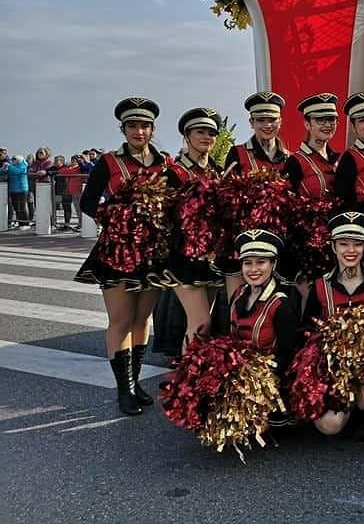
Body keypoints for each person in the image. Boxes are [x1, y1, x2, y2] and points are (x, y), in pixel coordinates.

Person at [74, 97, 168, 416]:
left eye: (144, 126)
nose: (139, 131)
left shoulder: (165, 162)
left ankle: (135, 381)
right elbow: (88, 202)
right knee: (121, 319)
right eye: (132, 126)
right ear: (123, 129)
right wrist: (114, 216)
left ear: (152, 129)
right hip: (117, 249)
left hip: (153, 251)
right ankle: (122, 390)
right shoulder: (109, 162)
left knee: (143, 319)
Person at [301, 210, 364, 438]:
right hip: (334, 368)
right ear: (333, 247)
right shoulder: (321, 285)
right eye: (344, 244)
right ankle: (343, 407)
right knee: (329, 426)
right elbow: (307, 329)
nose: (351, 251)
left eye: (357, 244)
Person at [162, 108, 224, 348]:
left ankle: (193, 375)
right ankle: (188, 378)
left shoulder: (218, 171)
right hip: (183, 257)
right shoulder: (173, 174)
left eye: (211, 132)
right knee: (201, 322)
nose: (207, 137)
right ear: (187, 136)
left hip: (211, 255)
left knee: (202, 322)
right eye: (200, 131)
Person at [229, 228, 299, 428]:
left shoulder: (281, 305)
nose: (253, 269)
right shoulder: (237, 295)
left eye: (261, 262)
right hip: (240, 372)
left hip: (269, 379)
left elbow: (288, 355)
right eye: (247, 263)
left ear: (273, 264)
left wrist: (254, 377)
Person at [221, 91, 288, 299]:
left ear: (280, 122)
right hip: (242, 243)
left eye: (272, 120)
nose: (267, 125)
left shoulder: (288, 157)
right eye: (261, 120)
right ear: (251, 122)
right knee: (239, 303)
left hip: (276, 243)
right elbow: (225, 198)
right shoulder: (237, 153)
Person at [284, 93, 340, 197]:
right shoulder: (295, 162)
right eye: (320, 120)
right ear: (307, 124)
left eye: (331, 119)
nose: (328, 125)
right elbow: (287, 203)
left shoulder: (341, 158)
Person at [4, 155, 29, 228]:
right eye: (13, 159)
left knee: (22, 207)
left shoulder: (23, 165)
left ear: (19, 160)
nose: (13, 160)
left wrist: (9, 166)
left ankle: (25, 223)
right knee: (16, 207)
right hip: (13, 189)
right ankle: (20, 223)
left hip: (22, 189)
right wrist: (4, 168)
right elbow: (2, 172)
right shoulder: (11, 166)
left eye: (15, 159)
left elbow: (17, 171)